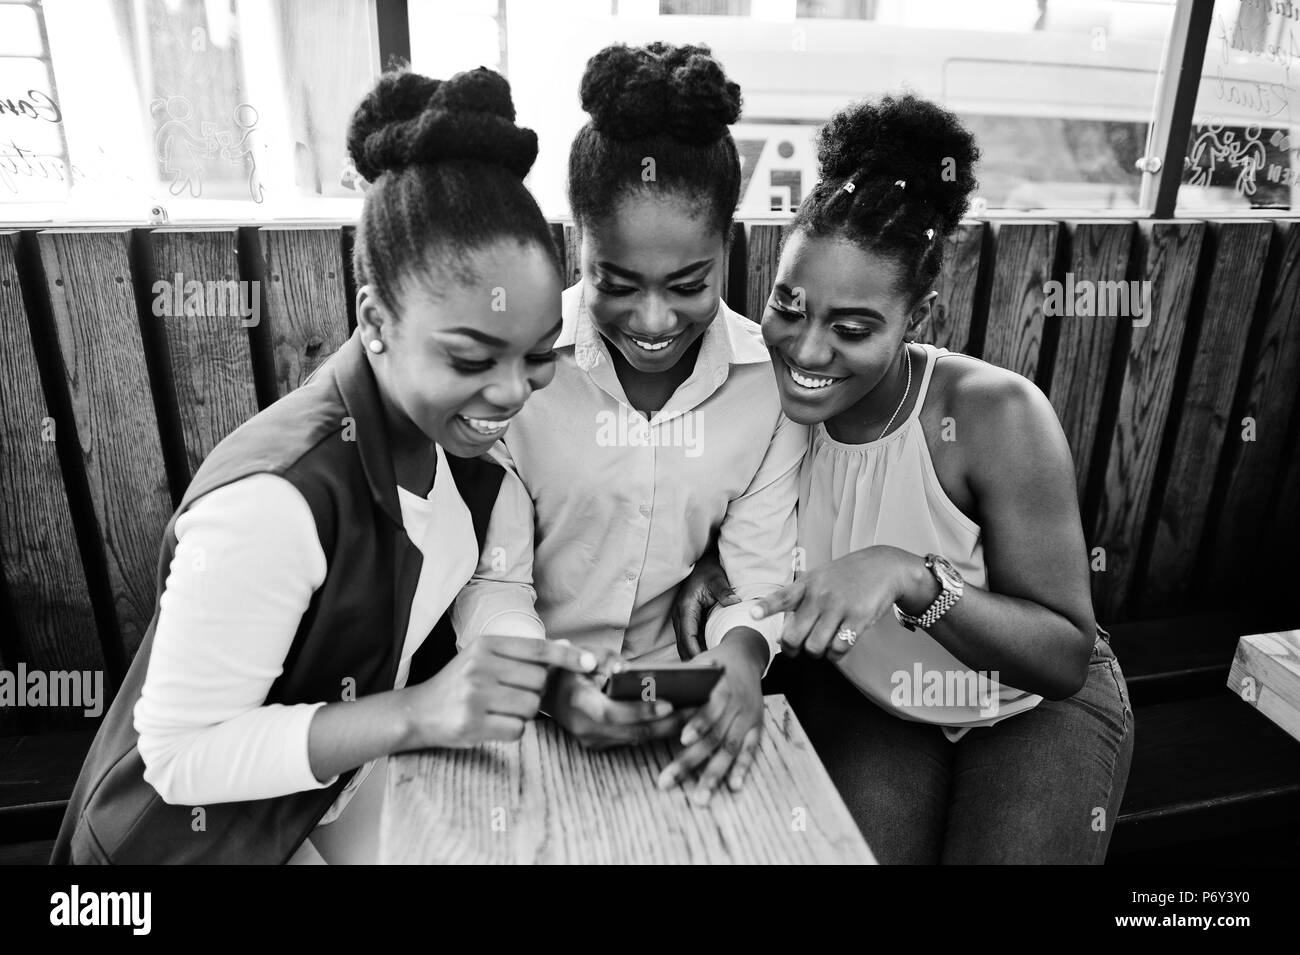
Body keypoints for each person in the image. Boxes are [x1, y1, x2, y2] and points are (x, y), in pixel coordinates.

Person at [51, 67, 595, 865]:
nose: (514, 390)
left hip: (318, 794)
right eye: (473, 355)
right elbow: (178, 758)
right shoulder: (278, 501)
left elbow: (485, 585)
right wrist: (418, 711)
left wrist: (537, 673)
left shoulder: (457, 436)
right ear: (375, 317)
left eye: (539, 354)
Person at [678, 94, 1133, 863]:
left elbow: (1060, 655)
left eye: (853, 329)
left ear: (916, 317)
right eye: (789, 307)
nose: (808, 351)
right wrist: (713, 566)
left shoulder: (992, 416)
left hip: (1027, 706)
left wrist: (912, 578)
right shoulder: (761, 397)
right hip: (882, 698)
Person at [452, 42, 807, 805]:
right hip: (525, 700)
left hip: (683, 703)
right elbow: (494, 578)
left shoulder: (764, 388)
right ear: (576, 241)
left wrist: (739, 664)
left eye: (688, 284)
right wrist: (553, 684)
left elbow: (756, 579)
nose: (653, 320)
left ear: (727, 247)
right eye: (616, 282)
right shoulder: (525, 373)